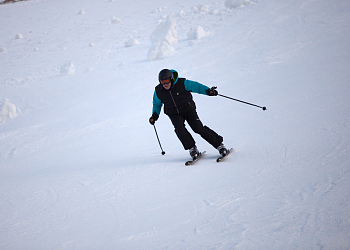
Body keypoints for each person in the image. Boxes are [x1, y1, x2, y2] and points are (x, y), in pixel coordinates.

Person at [149, 69, 228, 160]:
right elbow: (157, 104)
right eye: (162, 82)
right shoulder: (158, 90)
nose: (165, 84)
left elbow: (196, 86)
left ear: (171, 79)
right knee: (179, 129)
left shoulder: (182, 83)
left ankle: (220, 145)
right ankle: (192, 149)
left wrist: (208, 91)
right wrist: (155, 115)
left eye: (166, 81)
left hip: (188, 109)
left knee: (198, 128)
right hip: (173, 113)